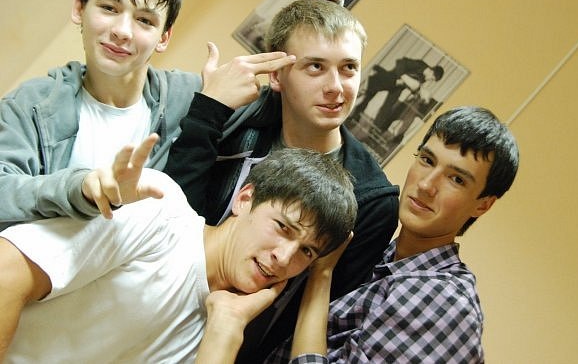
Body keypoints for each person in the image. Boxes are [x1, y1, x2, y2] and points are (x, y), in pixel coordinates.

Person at [0, 0, 347, 230]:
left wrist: (323, 16)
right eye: (109, 8)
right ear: (80, 8)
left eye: (145, 20)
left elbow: (291, 103)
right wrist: (78, 188)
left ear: (164, 37)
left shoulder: (188, 98)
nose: (122, 31)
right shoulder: (35, 104)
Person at [164, 0, 401, 361]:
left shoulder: (371, 198)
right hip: (160, 295)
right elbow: (170, 215)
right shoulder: (238, 120)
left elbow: (310, 315)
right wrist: (209, 111)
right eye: (316, 67)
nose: (336, 87)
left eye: (349, 68)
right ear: (276, 75)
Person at [194, 106, 520, 363]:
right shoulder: (384, 258)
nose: (426, 185)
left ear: (483, 204)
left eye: (456, 179)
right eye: (426, 160)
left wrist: (322, 276)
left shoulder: (445, 302)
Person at [0, 135, 358, 363]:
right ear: (245, 199)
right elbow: (6, 271)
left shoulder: (226, 321)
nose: (284, 257)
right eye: (282, 227)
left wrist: (226, 327)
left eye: (306, 252)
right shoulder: (159, 208)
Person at [349, 56, 444, 126]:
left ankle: (375, 127)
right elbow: (400, 62)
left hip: (398, 88)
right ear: (431, 71)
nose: (430, 80)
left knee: (388, 107)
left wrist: (419, 93)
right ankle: (355, 115)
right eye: (432, 78)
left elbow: (413, 86)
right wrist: (402, 76)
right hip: (390, 79)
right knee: (368, 94)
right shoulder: (419, 64)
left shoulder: (424, 78)